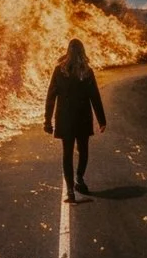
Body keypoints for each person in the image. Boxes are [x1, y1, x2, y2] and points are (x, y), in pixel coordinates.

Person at [43, 39, 106, 201]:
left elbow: (51, 97)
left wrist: (47, 121)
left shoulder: (59, 71)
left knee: (67, 154)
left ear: (68, 51)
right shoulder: (87, 71)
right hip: (83, 118)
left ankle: (70, 191)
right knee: (83, 150)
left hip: (65, 118)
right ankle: (79, 178)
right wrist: (101, 119)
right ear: (82, 52)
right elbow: (95, 97)